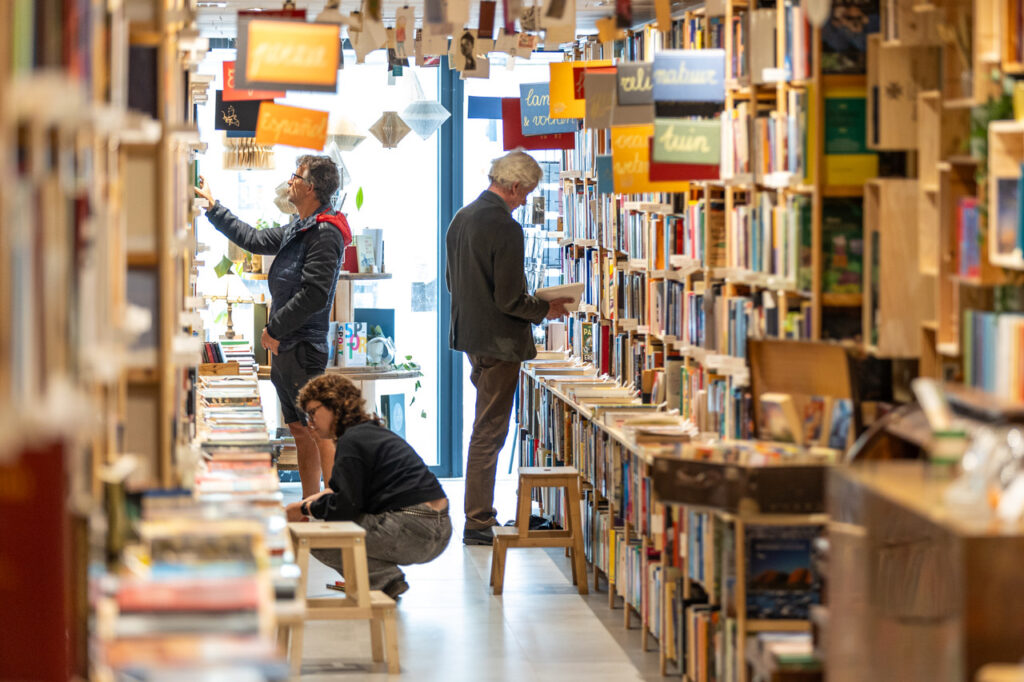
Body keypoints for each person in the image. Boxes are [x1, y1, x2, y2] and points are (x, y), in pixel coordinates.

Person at [195, 156, 351, 500]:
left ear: (310, 187)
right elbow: (252, 238)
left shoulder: (325, 233)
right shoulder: (301, 225)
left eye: (295, 176)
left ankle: (336, 506)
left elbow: (314, 294)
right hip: (287, 347)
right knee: (300, 429)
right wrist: (212, 206)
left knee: (319, 429)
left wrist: (274, 329)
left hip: (302, 347)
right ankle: (311, 505)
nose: (289, 181)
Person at [445, 150, 572, 546]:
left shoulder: (461, 218)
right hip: (501, 343)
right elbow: (510, 300)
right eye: (526, 193)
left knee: (485, 425)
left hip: (471, 339)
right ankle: (478, 520)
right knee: (489, 431)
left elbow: (454, 283)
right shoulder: (505, 227)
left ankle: (479, 516)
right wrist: (545, 307)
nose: (523, 202)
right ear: (514, 187)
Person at [285, 374, 452, 599]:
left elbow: (345, 507)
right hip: (436, 526)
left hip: (416, 529)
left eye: (313, 412)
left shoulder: (351, 441)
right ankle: (383, 581)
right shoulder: (368, 433)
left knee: (311, 534)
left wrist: (305, 510)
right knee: (329, 520)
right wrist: (307, 503)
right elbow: (342, 492)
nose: (309, 422)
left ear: (335, 404)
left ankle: (383, 581)